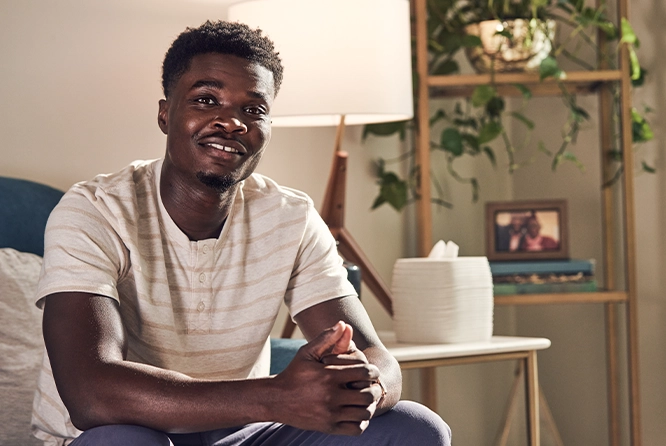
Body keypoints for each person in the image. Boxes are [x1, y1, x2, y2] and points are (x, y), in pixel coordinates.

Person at [31, 21, 451, 446]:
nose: (230, 121)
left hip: (243, 434)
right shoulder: (95, 209)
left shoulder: (291, 217)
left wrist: (365, 387)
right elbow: (90, 395)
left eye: (253, 110)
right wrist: (273, 396)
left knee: (414, 428)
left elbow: (377, 357)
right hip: (124, 433)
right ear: (164, 113)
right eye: (206, 99)